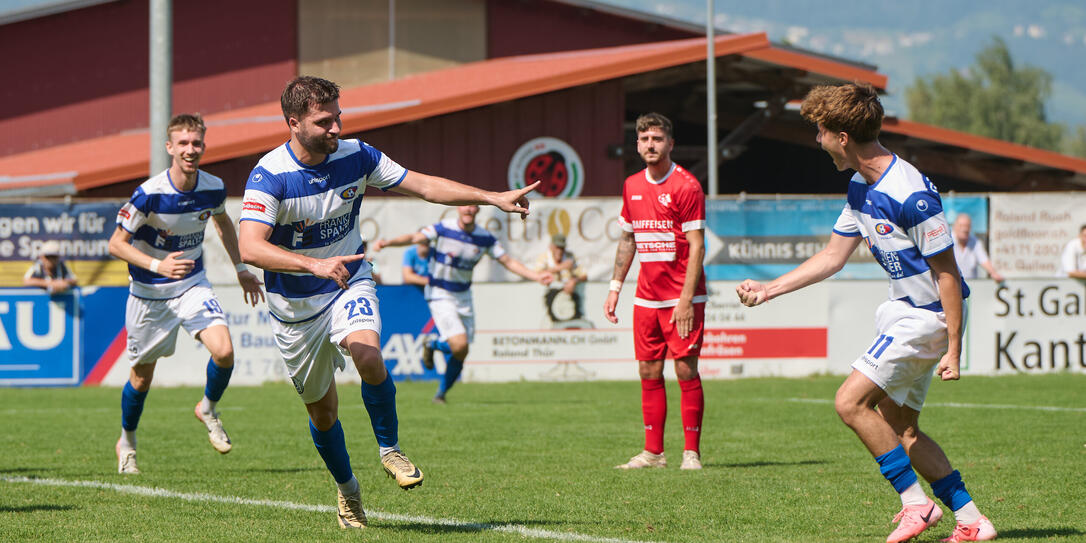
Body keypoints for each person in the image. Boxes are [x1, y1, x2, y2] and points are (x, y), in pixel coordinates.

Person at [237, 76, 543, 529]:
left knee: (368, 354)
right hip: (295, 308)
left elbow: (422, 186)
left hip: (349, 282)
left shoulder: (357, 154)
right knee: (323, 414)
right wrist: (314, 265)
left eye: (339, 116)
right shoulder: (269, 175)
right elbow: (250, 247)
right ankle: (348, 493)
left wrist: (491, 197)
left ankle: (390, 450)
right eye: (325, 121)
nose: (337, 127)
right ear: (293, 123)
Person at [735, 83, 996, 543]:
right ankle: (973, 520)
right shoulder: (860, 186)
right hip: (903, 313)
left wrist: (954, 348)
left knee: (849, 402)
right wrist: (769, 289)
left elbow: (949, 275)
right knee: (904, 429)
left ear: (841, 137)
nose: (816, 141)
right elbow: (833, 258)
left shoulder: (909, 194)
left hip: (928, 317)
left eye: (819, 132)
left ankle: (917, 505)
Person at [108, 113, 265, 475]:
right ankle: (127, 441)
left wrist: (241, 268)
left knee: (224, 351)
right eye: (183, 143)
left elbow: (224, 221)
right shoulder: (149, 194)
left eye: (196, 143)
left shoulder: (212, 187)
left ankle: (208, 408)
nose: (190, 150)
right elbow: (116, 244)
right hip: (149, 295)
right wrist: (157, 265)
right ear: (170, 148)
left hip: (193, 286)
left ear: (203, 146)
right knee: (141, 378)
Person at [603, 112, 707, 472]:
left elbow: (697, 246)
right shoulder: (631, 184)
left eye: (657, 139)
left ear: (670, 144)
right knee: (648, 371)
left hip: (682, 298)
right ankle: (653, 453)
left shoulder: (686, 186)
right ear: (637, 144)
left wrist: (685, 300)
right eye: (644, 139)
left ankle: (690, 453)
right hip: (646, 298)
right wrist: (615, 288)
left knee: (685, 369)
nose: (650, 145)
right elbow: (628, 239)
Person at [373, 205, 551, 404]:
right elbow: (415, 238)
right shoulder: (444, 228)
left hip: (463, 296)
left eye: (472, 206)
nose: (468, 209)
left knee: (462, 350)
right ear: (458, 208)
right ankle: (433, 347)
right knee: (459, 344)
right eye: (465, 205)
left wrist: (536, 276)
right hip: (440, 293)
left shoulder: (485, 238)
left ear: (477, 210)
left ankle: (440, 391)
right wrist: (388, 243)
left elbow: (507, 261)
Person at [536, 233, 588, 324]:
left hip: (569, 294)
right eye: (557, 247)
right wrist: (560, 267)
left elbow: (584, 275)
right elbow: (538, 274)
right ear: (551, 247)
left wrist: (574, 280)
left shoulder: (570, 256)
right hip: (551, 294)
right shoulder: (544, 258)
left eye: (562, 248)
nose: (559, 251)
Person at [952, 214, 1003, 281]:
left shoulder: (975, 242)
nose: (964, 229)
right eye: (961, 226)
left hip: (972, 286)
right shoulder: (948, 242)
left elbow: (983, 260)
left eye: (967, 226)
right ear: (954, 226)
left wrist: (993, 273)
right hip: (953, 284)